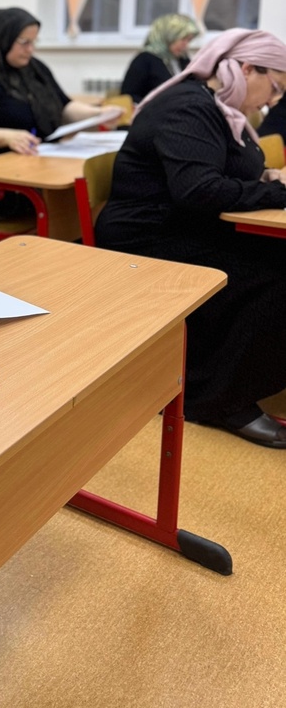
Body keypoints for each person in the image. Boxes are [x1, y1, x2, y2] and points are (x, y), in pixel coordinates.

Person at [95, 28, 286, 449]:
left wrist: (266, 177)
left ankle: (234, 368)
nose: (273, 101)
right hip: (146, 237)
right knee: (275, 279)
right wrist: (279, 193)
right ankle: (217, 398)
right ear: (247, 68)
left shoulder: (220, 107)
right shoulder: (188, 107)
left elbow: (222, 170)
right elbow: (199, 190)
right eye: (275, 87)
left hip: (186, 224)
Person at [0, 7, 118, 220]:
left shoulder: (35, 68)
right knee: (70, 205)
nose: (30, 49)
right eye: (24, 42)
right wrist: (7, 136)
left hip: (40, 160)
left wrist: (98, 114)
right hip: (1, 182)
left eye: (34, 42)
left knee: (84, 190)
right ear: (4, 39)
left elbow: (64, 106)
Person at [120, 13, 200, 103]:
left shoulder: (183, 59)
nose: (186, 45)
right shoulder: (144, 60)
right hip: (153, 110)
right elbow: (128, 96)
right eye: (183, 39)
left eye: (188, 40)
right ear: (169, 36)